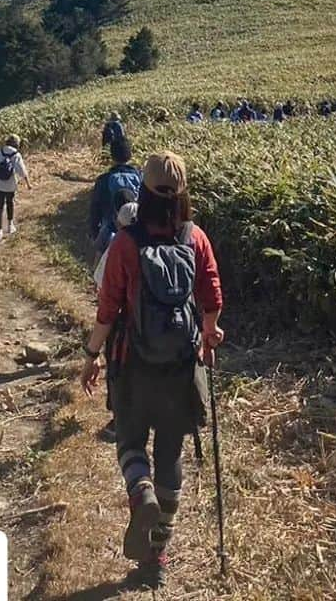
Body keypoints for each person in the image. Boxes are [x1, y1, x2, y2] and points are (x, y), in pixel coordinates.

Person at [81, 152, 225, 588]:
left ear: (142, 190)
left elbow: (108, 309)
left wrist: (91, 355)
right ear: (182, 194)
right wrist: (210, 334)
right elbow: (212, 292)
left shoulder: (127, 243)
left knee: (129, 442)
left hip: (133, 363)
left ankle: (139, 491)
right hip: (180, 367)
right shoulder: (193, 237)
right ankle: (157, 557)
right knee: (170, 454)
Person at [90, 138, 143, 263]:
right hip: (136, 232)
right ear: (130, 154)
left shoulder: (103, 179)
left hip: (109, 232)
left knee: (100, 267)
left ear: (112, 156)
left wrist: (94, 233)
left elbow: (95, 209)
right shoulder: (140, 177)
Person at [0, 134, 31, 239]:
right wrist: (28, 183)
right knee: (10, 204)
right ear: (17, 143)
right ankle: (10, 225)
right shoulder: (16, 155)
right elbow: (22, 170)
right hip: (10, 185)